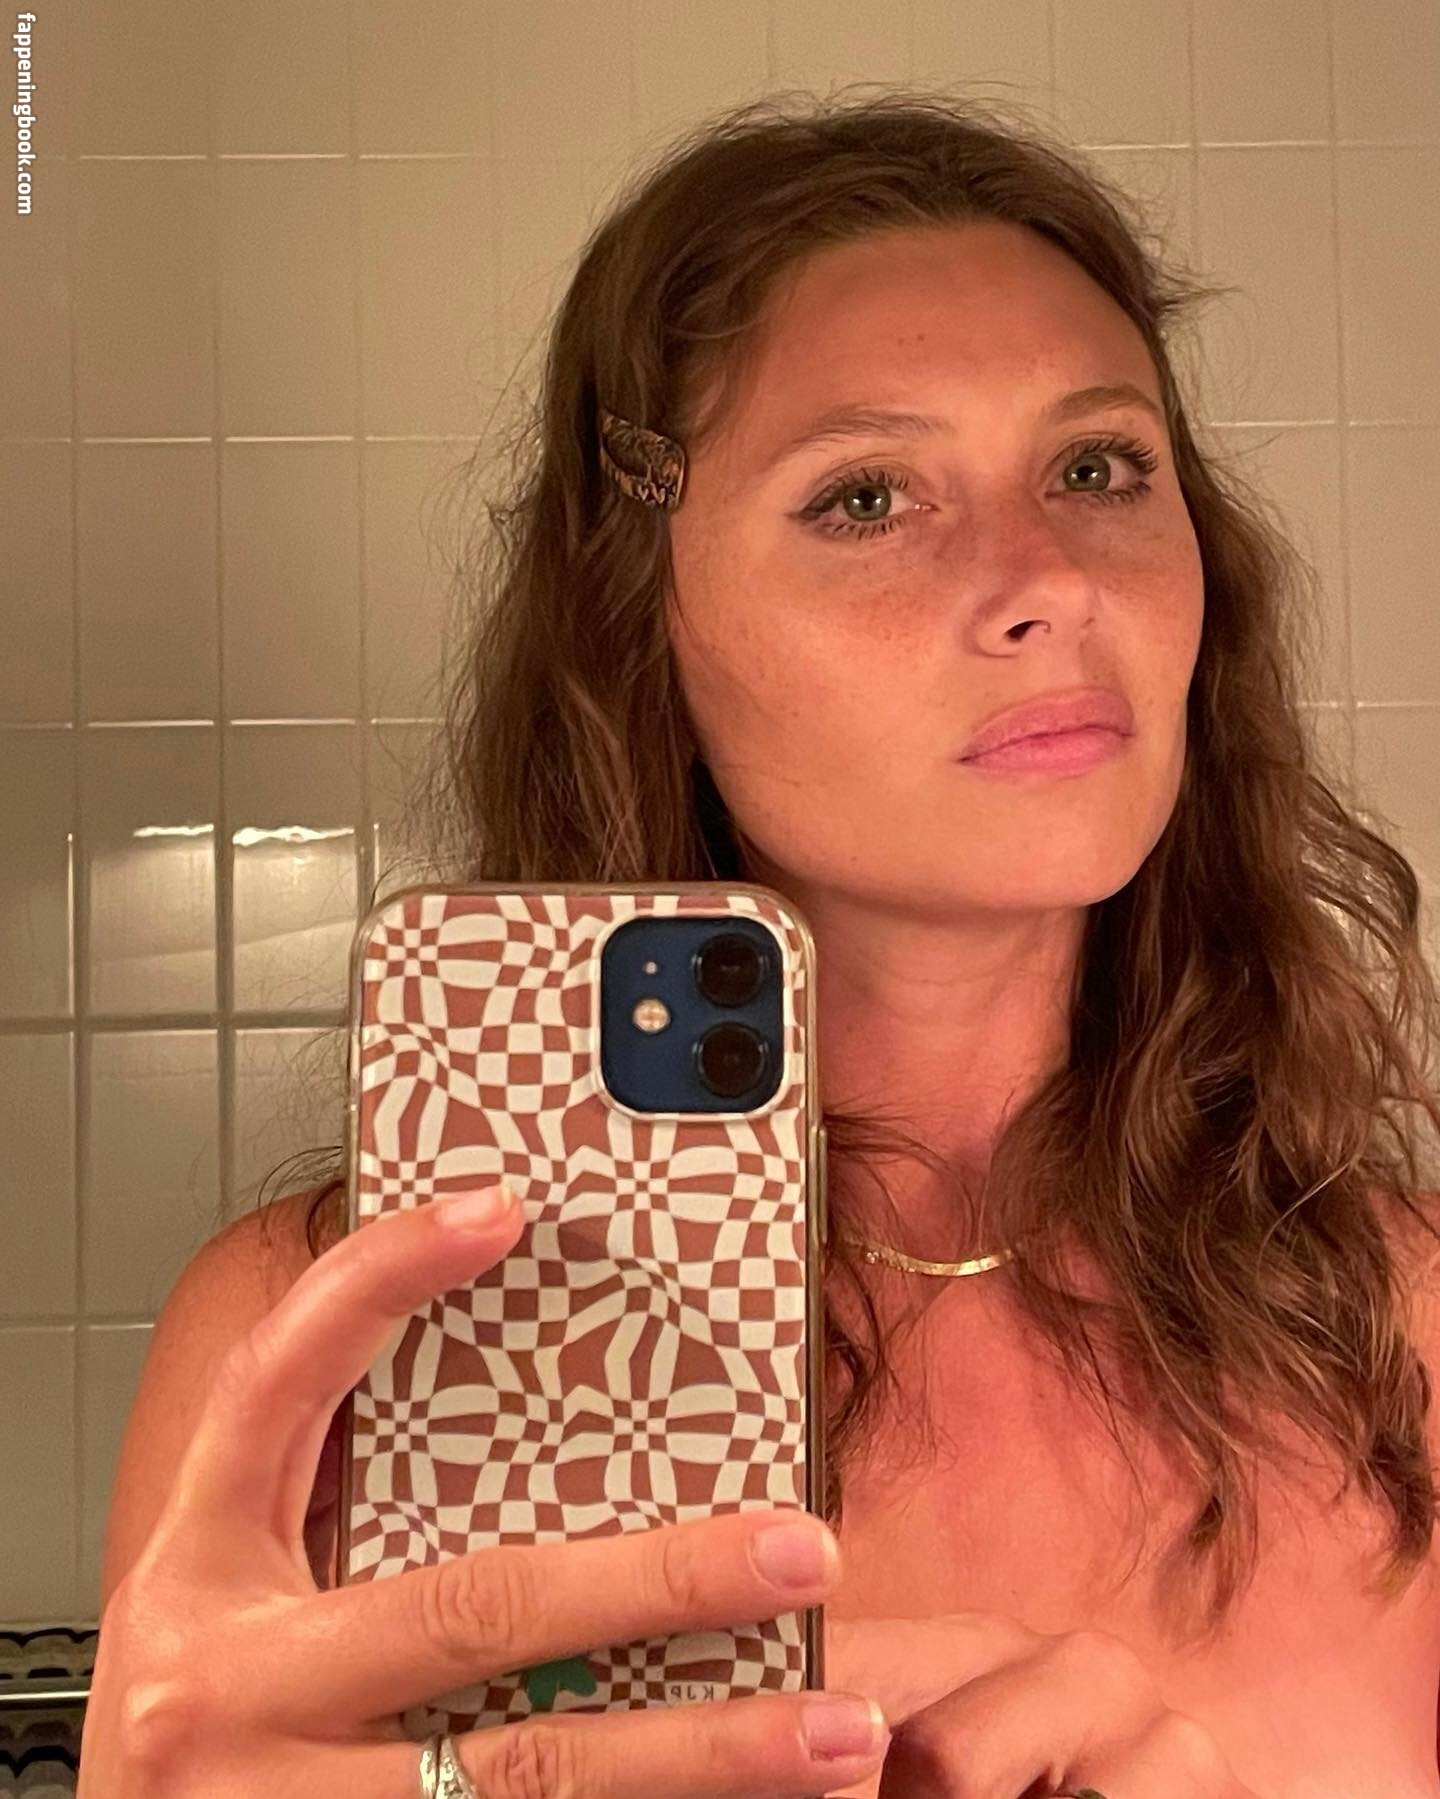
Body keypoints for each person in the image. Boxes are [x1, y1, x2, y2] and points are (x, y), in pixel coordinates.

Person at [81, 88, 1440, 1799]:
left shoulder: (1397, 1319)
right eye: (866, 497)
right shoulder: (330, 1340)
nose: (1049, 582)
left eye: (1099, 467)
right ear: (642, 620)